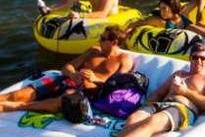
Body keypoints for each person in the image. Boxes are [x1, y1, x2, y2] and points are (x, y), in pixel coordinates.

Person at [92, 43, 205, 137]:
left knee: (152, 121)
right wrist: (145, 107)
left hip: (182, 109)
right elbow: (159, 92)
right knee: (133, 119)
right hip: (161, 104)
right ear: (190, 58)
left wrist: (186, 92)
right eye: (195, 57)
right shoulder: (179, 74)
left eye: (202, 58)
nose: (198, 61)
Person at [0, 26, 133, 113]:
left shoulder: (124, 59)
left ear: (114, 42)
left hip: (88, 90)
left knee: (61, 102)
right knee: (20, 94)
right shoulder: (93, 51)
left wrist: (95, 79)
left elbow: (118, 86)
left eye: (103, 39)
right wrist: (73, 73)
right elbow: (66, 67)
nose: (99, 41)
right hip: (67, 80)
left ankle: (18, 107)